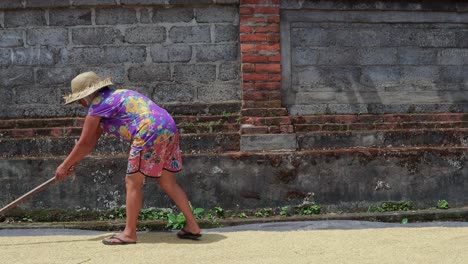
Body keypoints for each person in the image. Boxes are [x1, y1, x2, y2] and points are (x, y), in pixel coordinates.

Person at [55, 71, 201, 245]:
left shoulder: (98, 105)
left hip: (148, 129)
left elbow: (84, 142)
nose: (81, 104)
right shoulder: (117, 96)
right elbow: (91, 140)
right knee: (167, 181)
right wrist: (72, 163)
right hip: (167, 125)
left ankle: (129, 233)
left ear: (84, 97)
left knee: (133, 181)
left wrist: (64, 166)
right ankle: (193, 226)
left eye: (80, 100)